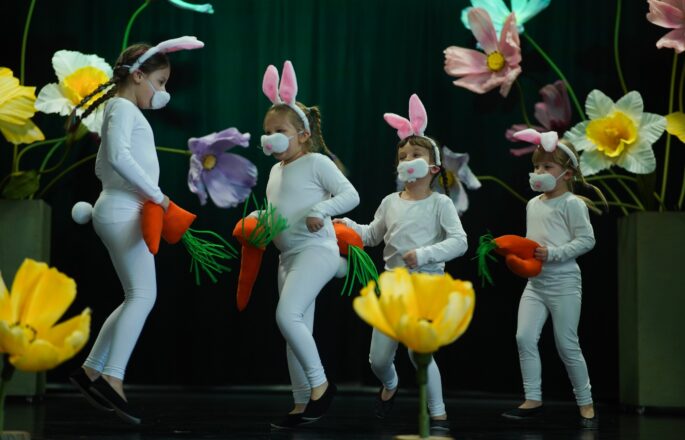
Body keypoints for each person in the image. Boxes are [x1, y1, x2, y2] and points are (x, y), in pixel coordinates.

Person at [67, 37, 204, 425]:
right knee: (143, 295)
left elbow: (102, 164)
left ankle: (91, 371)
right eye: (160, 83)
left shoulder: (118, 110)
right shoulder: (123, 108)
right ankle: (113, 378)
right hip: (123, 210)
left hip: (117, 207)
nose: (163, 92)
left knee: (135, 295)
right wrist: (158, 196)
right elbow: (116, 157)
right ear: (139, 76)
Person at [336, 94, 467, 436]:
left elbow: (460, 242)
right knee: (378, 359)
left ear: (434, 167)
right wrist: (348, 226)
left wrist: (424, 255)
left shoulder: (440, 204)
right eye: (403, 156)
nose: (408, 160)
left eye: (415, 155)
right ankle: (390, 384)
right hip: (392, 287)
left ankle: (438, 414)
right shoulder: (390, 202)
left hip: (426, 286)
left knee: (419, 353)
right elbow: (372, 235)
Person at [256, 60, 360, 429]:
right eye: (268, 132)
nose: (272, 137)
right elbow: (277, 211)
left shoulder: (316, 162)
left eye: (280, 131)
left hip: (316, 251)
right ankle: (301, 402)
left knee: (287, 316)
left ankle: (321, 386)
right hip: (287, 257)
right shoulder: (275, 170)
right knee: (293, 329)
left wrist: (321, 209)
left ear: (302, 134)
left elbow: (351, 195)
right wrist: (259, 223)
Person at [502, 128, 607, 430]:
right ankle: (532, 399)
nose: (539, 172)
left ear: (567, 173)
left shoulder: (572, 204)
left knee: (566, 344)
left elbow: (587, 240)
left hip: (564, 283)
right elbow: (531, 243)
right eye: (536, 166)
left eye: (547, 166)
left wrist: (554, 253)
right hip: (536, 285)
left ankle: (586, 402)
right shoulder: (532, 205)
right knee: (524, 337)